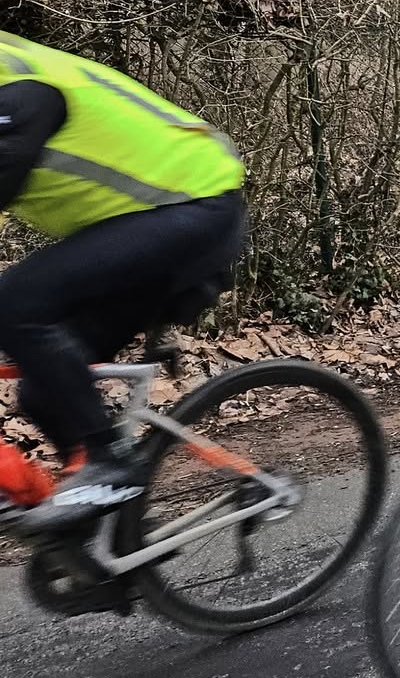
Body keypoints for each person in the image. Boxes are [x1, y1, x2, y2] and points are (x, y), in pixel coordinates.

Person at [0, 32, 247, 530]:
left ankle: (110, 463)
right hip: (150, 219)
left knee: (16, 304)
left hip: (195, 204)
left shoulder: (18, 90)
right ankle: (108, 533)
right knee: (45, 390)